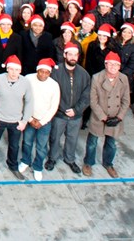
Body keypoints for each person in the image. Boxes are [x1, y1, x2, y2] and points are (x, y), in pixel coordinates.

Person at [0, 55, 30, 181]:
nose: (14, 73)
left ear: (20, 70)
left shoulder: (25, 82)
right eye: (11, 69)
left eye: (17, 70)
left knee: (14, 146)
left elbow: (30, 102)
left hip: (16, 122)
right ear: (7, 69)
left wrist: (24, 121)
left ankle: (13, 166)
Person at [84, 51, 130, 178]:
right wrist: (103, 117)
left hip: (115, 118)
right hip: (99, 118)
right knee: (92, 142)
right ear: (105, 65)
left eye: (116, 65)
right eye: (110, 64)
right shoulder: (97, 78)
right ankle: (88, 162)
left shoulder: (123, 78)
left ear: (119, 66)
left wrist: (119, 117)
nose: (113, 67)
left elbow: (126, 100)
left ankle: (108, 164)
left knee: (111, 143)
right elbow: (93, 101)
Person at [46, 44, 90, 175]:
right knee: (54, 137)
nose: (72, 57)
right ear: (64, 55)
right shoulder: (55, 71)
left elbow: (86, 95)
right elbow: (52, 93)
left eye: (75, 55)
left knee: (72, 138)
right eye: (69, 54)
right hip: (59, 114)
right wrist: (62, 109)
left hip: (75, 116)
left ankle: (69, 159)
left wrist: (76, 110)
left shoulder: (84, 74)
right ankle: (52, 158)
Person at [20, 58, 60, 182]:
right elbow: (22, 99)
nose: (43, 74)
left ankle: (37, 167)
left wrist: (42, 122)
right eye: (41, 71)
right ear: (37, 70)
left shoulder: (54, 85)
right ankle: (25, 161)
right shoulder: (28, 79)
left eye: (46, 72)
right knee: (27, 142)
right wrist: (30, 119)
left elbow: (54, 106)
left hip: (44, 121)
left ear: (50, 73)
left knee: (41, 146)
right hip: (29, 118)